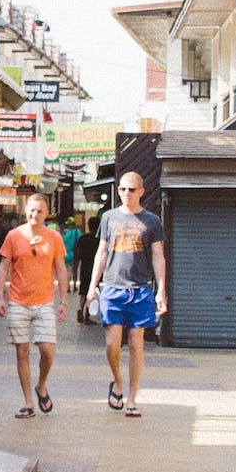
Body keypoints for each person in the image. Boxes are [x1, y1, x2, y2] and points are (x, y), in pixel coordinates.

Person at [90, 169, 167, 416]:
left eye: (131, 189)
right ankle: (118, 382)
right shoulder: (109, 218)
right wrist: (92, 287)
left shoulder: (152, 221)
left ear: (141, 192)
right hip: (113, 288)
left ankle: (132, 399)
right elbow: (101, 253)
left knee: (136, 345)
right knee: (112, 344)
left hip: (141, 290)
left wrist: (161, 290)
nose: (126, 193)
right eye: (122, 189)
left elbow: (158, 256)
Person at [0, 185, 68, 417]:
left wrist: (64, 301)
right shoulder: (14, 236)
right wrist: (0, 297)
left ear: (47, 214)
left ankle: (41, 385)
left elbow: (61, 270)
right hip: (18, 301)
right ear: (26, 210)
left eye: (39, 211)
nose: (34, 215)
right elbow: (3, 267)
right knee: (22, 352)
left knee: (47, 351)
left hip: (44, 302)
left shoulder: (54, 238)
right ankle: (28, 403)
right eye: (31, 210)